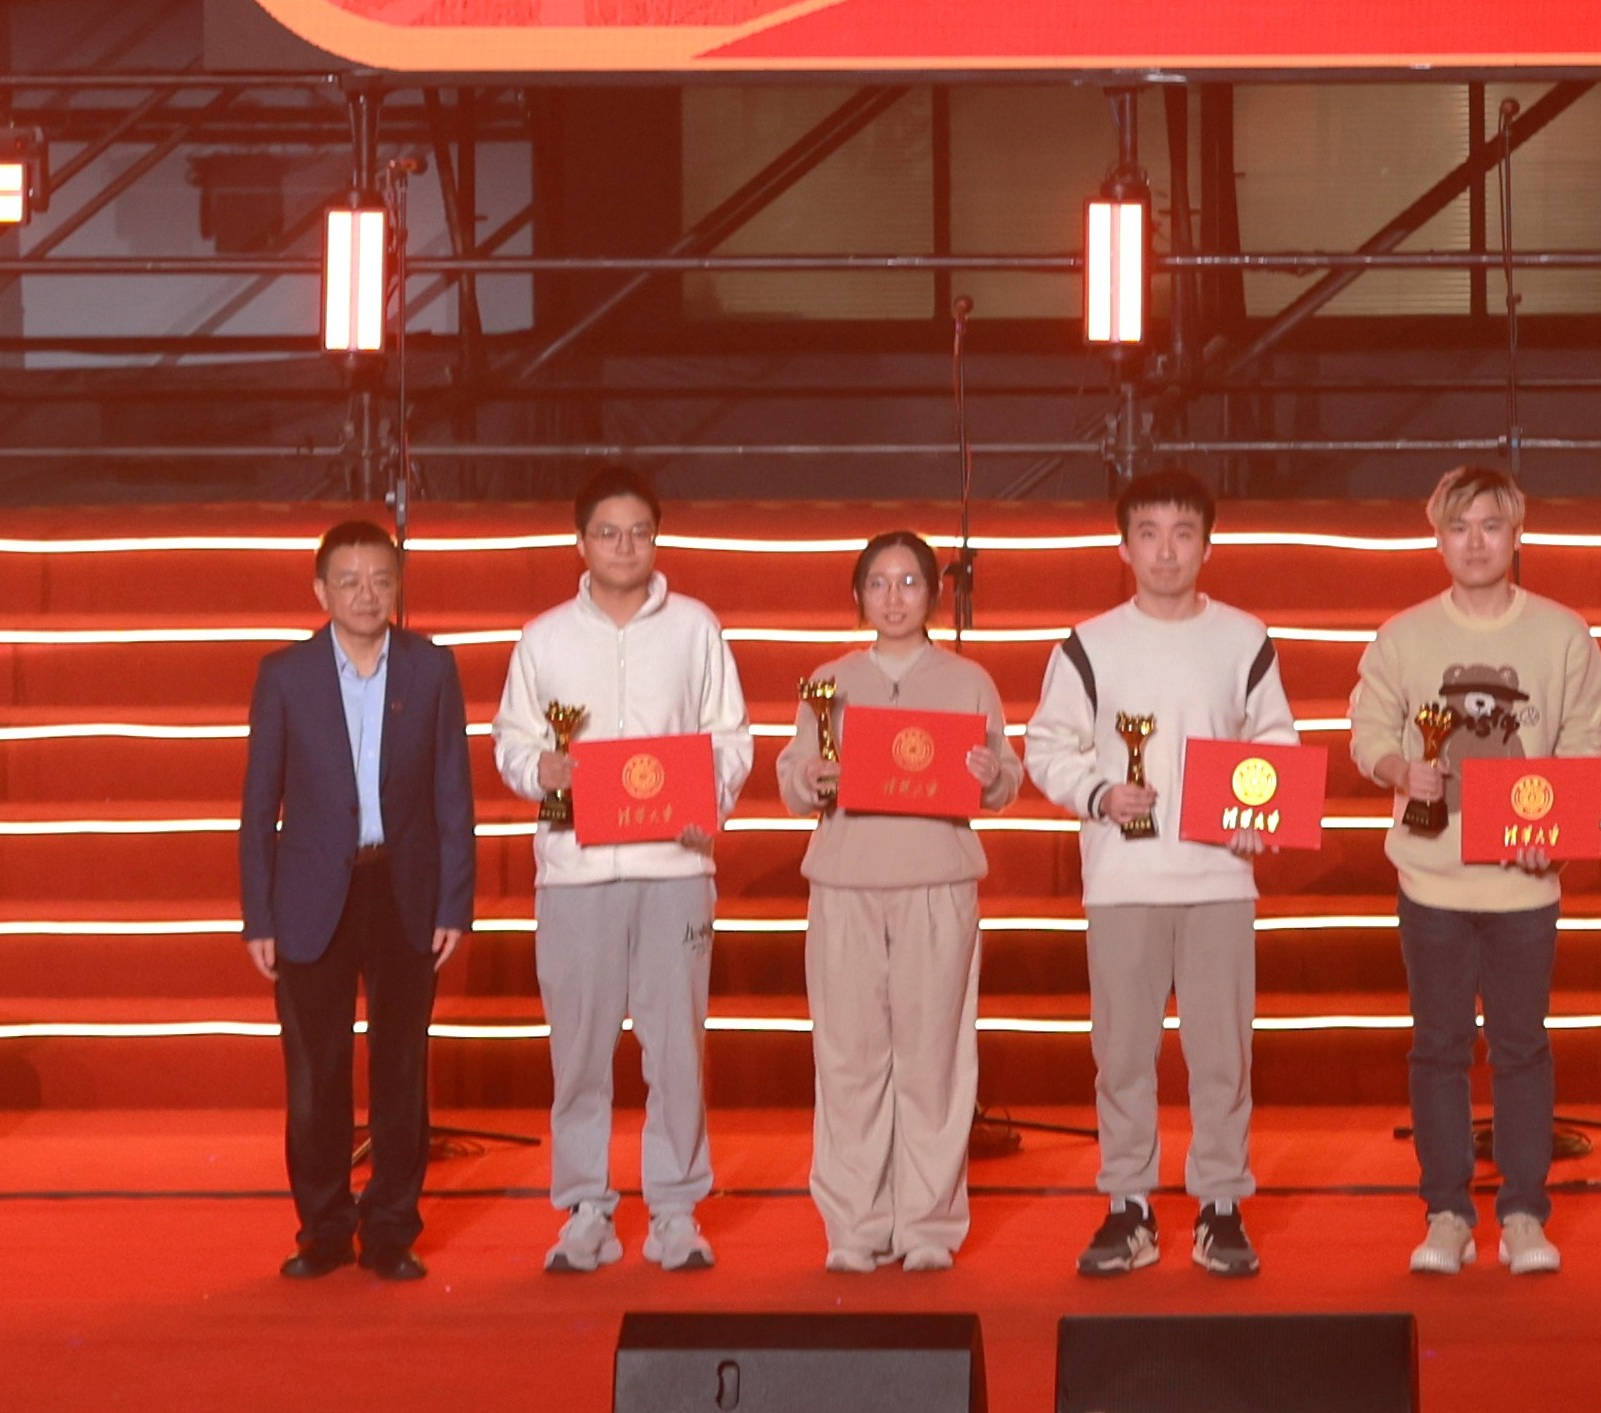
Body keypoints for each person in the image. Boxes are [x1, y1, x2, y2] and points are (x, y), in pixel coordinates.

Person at [1023, 465, 1300, 1282]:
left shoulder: (1244, 638)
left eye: (1183, 532)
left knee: (1223, 1056)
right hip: (1123, 880)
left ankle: (1221, 1203)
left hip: (1220, 878)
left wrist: (1259, 812)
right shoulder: (1087, 644)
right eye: (1149, 533)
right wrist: (1101, 792)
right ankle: (1129, 1203)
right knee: (1121, 1054)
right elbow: (1047, 745)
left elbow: (1275, 741)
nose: (1166, 549)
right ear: (1124, 546)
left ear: (1207, 544)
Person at [1346, 463, 1601, 1279]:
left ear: (1517, 534)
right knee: (1438, 1048)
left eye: (1490, 525)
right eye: (1458, 526)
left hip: (1524, 885)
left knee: (1522, 1047)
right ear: (1437, 538)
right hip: (1430, 879)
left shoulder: (1563, 634)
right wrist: (1400, 769)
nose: (1474, 542)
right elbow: (1366, 729)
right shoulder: (1403, 636)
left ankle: (1525, 1212)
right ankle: (1447, 1212)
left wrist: (1555, 833)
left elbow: (1584, 740)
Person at [493, 464, 749, 1275]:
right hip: (575, 872)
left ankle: (675, 1208)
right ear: (581, 542)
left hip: (676, 867)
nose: (625, 545)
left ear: (656, 538)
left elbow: (730, 734)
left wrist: (709, 801)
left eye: (639, 531)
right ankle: (585, 1208)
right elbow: (509, 741)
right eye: (608, 532)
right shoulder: (543, 638)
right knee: (578, 1050)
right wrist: (541, 770)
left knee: (676, 1048)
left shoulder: (696, 627)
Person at [773, 527, 1017, 1274]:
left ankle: (927, 1225)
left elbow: (1005, 776)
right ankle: (855, 1224)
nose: (894, 597)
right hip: (846, 886)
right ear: (858, 595)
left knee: (933, 1061)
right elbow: (793, 773)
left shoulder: (968, 680)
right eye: (878, 583)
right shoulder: (830, 680)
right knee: (848, 1060)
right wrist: (809, 777)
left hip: (937, 884)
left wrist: (990, 774)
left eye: (909, 582)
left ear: (932, 594)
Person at [237, 517, 474, 1281]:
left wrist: (454, 902)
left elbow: (452, 791)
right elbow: (258, 804)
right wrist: (258, 912)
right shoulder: (285, 674)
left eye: (380, 579)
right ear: (321, 590)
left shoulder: (431, 668)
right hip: (310, 893)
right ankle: (324, 1227)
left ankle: (392, 1228)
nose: (366, 594)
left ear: (397, 584)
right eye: (349, 580)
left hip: (405, 889)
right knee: (316, 1072)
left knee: (402, 1066)